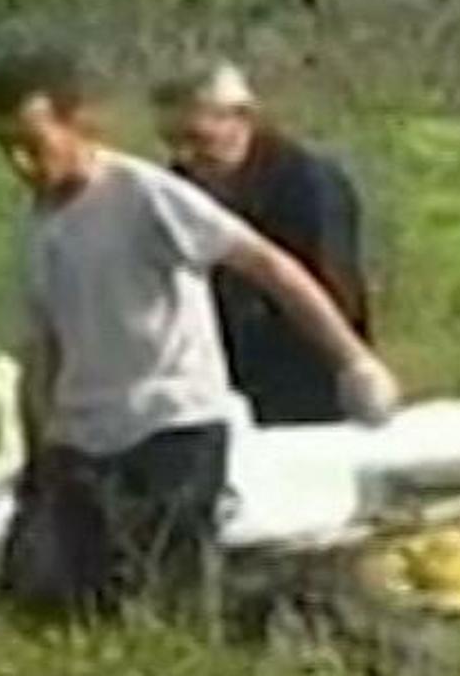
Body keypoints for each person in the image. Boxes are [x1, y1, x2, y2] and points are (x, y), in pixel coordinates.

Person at [0, 48, 399, 624]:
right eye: (8, 150)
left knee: (168, 599)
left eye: (35, 145)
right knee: (63, 604)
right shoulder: (38, 227)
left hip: (170, 428)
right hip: (86, 438)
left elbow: (268, 266)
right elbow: (46, 346)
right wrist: (38, 462)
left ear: (79, 124)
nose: (23, 165)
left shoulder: (142, 194)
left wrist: (353, 362)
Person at [153, 61, 373, 428]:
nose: (184, 157)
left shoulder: (307, 184)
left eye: (197, 139)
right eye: (172, 143)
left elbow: (333, 287)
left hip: (305, 374)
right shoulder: (176, 189)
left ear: (242, 119)